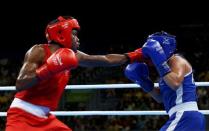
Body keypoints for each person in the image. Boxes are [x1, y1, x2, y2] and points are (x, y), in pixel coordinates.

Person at [5, 16, 147, 131]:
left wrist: (135, 55)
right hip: (21, 116)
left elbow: (105, 59)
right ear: (62, 34)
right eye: (74, 34)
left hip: (44, 118)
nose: (78, 39)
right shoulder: (39, 51)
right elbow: (20, 84)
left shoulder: (75, 55)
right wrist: (48, 69)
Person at [125, 31, 206, 131]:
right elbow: (160, 98)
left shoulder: (177, 60)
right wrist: (144, 82)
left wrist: (159, 62)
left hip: (185, 115)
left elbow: (175, 84)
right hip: (184, 117)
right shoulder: (165, 71)